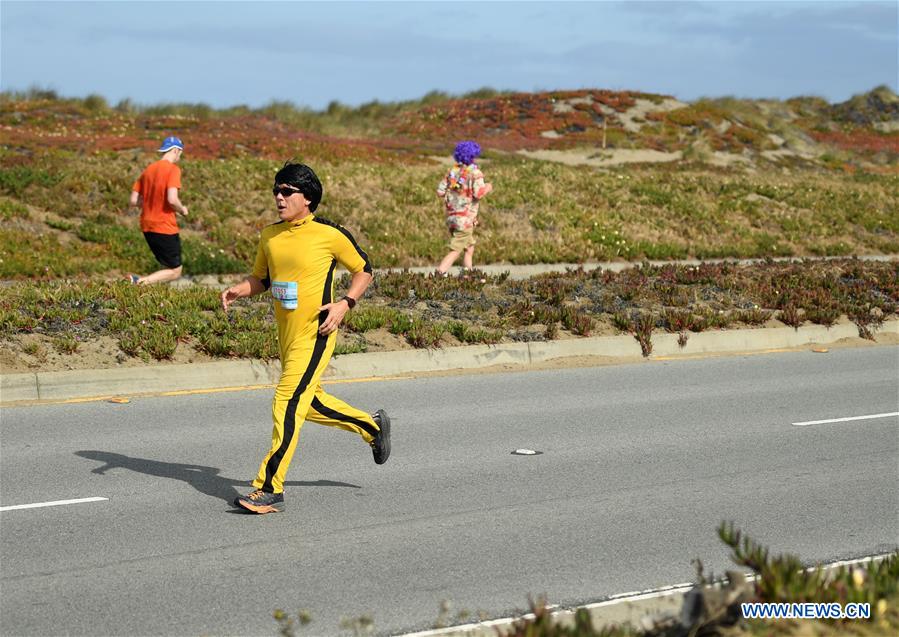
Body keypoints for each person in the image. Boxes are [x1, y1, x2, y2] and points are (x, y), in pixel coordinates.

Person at [221, 162, 390, 514]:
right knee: (307, 403)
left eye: (287, 192)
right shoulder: (269, 235)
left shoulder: (329, 235)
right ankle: (372, 427)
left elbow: (364, 271)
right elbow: (262, 279)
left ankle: (268, 488)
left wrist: (345, 304)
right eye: (276, 192)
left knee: (285, 401)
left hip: (316, 333)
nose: (279, 198)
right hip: (286, 335)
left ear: (308, 198)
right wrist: (240, 289)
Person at [127, 136, 189, 284]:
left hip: (147, 225)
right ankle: (139, 282)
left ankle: (156, 299)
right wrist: (182, 210)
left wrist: (151, 203)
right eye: (180, 153)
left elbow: (133, 201)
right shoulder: (173, 170)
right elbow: (172, 199)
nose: (179, 156)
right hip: (164, 226)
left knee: (165, 266)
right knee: (175, 270)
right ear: (175, 150)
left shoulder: (148, 170)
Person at [435, 140, 493, 276]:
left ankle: (468, 275)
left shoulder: (453, 172)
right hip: (466, 219)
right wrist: (488, 187)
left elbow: (440, 191)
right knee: (456, 249)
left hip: (452, 217)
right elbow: (478, 193)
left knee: (469, 247)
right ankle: (438, 274)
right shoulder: (475, 173)